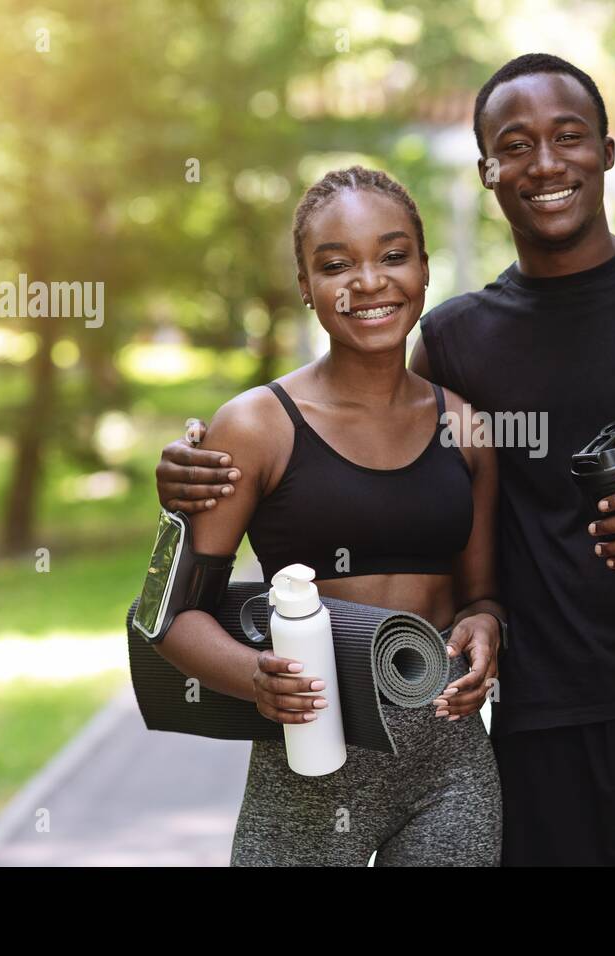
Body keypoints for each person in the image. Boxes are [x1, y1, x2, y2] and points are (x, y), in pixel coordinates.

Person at [159, 54, 615, 866]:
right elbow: (384, 475)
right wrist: (190, 477)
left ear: (608, 149)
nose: (547, 163)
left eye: (569, 137)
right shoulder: (455, 341)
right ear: (487, 168)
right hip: (541, 735)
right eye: (516, 145)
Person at [155, 166, 504, 866]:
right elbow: (170, 616)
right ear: (305, 287)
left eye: (393, 255)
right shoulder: (257, 425)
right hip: (309, 761)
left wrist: (486, 624)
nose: (369, 281)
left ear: (425, 270)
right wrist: (254, 676)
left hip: (450, 764)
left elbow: (481, 595)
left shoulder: (465, 427)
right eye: (336, 264)